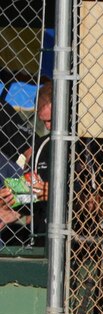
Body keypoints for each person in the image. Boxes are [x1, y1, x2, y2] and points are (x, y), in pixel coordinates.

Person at [0, 81, 51, 246]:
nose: (49, 127)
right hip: (41, 228)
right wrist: (11, 200)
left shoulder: (78, 145)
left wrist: (49, 191)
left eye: (50, 120)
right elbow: (31, 187)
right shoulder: (42, 146)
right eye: (45, 122)